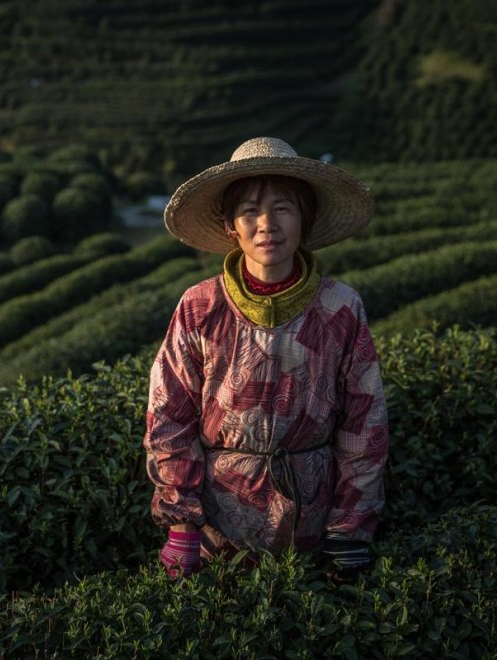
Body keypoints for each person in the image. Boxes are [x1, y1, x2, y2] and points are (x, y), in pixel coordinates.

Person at [143, 137, 389, 581]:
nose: (266, 224)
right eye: (250, 211)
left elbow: (364, 423)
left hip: (314, 524)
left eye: (282, 208)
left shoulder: (340, 307)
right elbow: (169, 415)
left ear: (304, 218)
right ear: (231, 226)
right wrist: (182, 523)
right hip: (221, 531)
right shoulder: (199, 306)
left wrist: (351, 529)